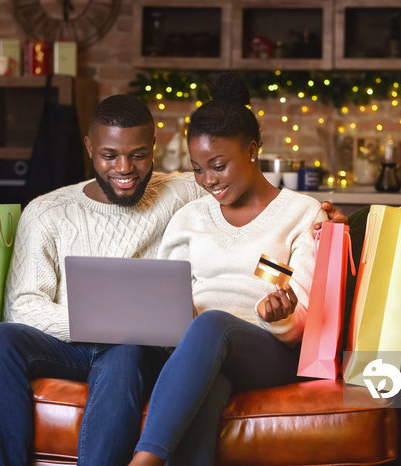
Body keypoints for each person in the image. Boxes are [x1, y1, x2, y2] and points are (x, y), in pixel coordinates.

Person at [0, 92, 344, 465]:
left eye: (137, 155)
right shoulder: (54, 212)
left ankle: (144, 460)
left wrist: (339, 231)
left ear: (153, 149)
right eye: (109, 155)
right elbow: (23, 306)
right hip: (125, 344)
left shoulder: (208, 196)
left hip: (210, 343)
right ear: (89, 148)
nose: (124, 169)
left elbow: (229, 147)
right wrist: (112, 324)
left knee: (143, 349)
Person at [129, 73, 325, 466]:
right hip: (198, 353)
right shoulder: (189, 218)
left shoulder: (302, 213)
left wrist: (282, 317)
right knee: (209, 388)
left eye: (218, 165)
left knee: (212, 323)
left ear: (252, 150)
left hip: (270, 351)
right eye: (198, 169)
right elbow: (166, 295)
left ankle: (143, 462)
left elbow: (304, 320)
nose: (208, 181)